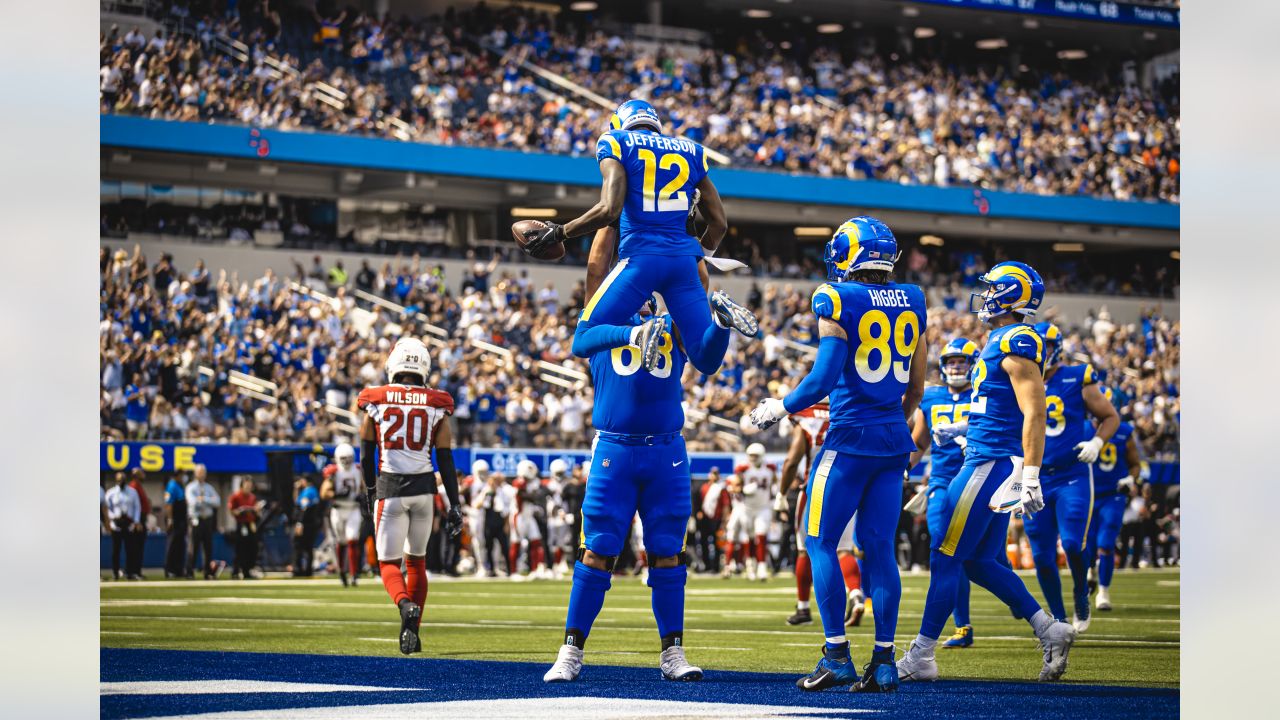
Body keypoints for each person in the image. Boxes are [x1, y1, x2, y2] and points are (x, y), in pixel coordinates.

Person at [749, 216, 927, 693]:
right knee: (880, 549)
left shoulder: (836, 296)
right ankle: (885, 662)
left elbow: (823, 379)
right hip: (893, 438)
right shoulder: (914, 299)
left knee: (818, 542)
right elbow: (916, 387)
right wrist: (892, 419)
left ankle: (837, 655)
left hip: (849, 439)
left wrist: (779, 405)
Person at [896, 261, 1077, 684]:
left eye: (994, 288)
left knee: (945, 557)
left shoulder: (1015, 339)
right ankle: (1049, 628)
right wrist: (963, 427)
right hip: (987, 456)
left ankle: (922, 655)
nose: (987, 294)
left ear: (1011, 294)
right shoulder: (999, 339)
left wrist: (1031, 474)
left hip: (988, 463)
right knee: (977, 561)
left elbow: (1034, 412)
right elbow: (999, 406)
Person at [521, 99, 757, 378]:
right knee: (706, 361)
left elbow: (610, 210)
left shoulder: (616, 141)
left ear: (620, 123)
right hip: (683, 263)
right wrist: (698, 255)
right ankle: (721, 321)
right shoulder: (691, 150)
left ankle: (637, 333)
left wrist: (560, 231)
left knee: (583, 338)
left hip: (641, 259)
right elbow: (719, 224)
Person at [543, 295, 702, 683]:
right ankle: (571, 650)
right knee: (597, 549)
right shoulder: (603, 324)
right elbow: (594, 282)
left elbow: (694, 289)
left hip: (666, 450)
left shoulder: (672, 322)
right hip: (616, 447)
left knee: (668, 552)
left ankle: (673, 652)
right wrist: (606, 230)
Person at [357, 337, 464, 655]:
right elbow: (445, 458)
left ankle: (405, 605)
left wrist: (371, 489)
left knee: (388, 563)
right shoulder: (436, 402)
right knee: (416, 563)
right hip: (424, 491)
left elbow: (366, 452)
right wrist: (454, 503)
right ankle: (412, 635)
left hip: (390, 488)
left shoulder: (374, 398)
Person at [1025, 322, 1120, 633]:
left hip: (1071, 475)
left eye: (1047, 346)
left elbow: (1110, 416)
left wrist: (1097, 442)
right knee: (1040, 555)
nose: (1042, 353)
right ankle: (1059, 619)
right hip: (1035, 476)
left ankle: (1081, 591)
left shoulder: (1077, 376)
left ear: (1058, 348)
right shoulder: (1020, 379)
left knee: (1071, 543)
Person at [908, 338, 980, 648]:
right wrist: (900, 467)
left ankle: (1024, 607)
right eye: (951, 361)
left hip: (977, 478)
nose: (955, 367)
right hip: (940, 480)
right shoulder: (932, 396)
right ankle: (962, 626)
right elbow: (919, 441)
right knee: (943, 547)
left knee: (987, 559)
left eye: (961, 361)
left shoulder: (982, 394)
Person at [779, 401, 864, 628]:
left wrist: (781, 493)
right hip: (847, 488)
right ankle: (855, 593)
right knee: (844, 550)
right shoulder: (852, 409)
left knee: (805, 550)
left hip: (815, 488)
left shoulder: (806, 417)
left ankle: (803, 607)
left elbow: (791, 461)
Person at [1087, 389, 1146, 612]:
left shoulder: (1123, 432)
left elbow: (1135, 464)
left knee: (1106, 543)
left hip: (1113, 495)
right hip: (1088, 495)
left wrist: (1131, 478)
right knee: (1088, 546)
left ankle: (1103, 591)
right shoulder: (1081, 429)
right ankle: (1090, 571)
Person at [321, 442, 364, 587]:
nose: (346, 461)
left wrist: (363, 495)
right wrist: (337, 494)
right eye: (344, 458)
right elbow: (324, 492)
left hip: (353, 509)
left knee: (352, 540)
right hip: (338, 509)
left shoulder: (358, 469)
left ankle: (353, 574)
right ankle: (342, 572)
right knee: (341, 541)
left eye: (349, 458)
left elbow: (364, 487)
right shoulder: (333, 471)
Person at [734, 443, 778, 581]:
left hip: (763, 507)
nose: (752, 458)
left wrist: (775, 496)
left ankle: (762, 567)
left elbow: (774, 483)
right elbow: (735, 486)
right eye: (751, 455)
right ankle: (750, 565)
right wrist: (743, 490)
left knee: (762, 535)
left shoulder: (770, 468)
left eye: (755, 455)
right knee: (750, 538)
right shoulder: (743, 468)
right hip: (747, 508)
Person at [185, 465, 221, 580]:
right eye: (200, 472)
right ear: (195, 473)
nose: (202, 474)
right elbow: (193, 502)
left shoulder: (209, 487)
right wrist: (206, 501)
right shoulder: (191, 487)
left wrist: (204, 499)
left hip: (207, 520)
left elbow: (217, 502)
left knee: (208, 547)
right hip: (196, 519)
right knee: (193, 546)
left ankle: (208, 572)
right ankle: (190, 571)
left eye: (203, 472)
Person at [105, 472, 142, 581]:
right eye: (119, 479)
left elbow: (137, 507)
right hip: (116, 523)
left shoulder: (132, 492)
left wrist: (136, 521)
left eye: (123, 479)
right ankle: (115, 572)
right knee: (116, 550)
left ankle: (129, 572)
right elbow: (107, 508)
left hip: (128, 523)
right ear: (116, 480)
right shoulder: (111, 493)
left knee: (130, 549)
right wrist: (112, 519)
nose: (121, 481)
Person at [228, 477, 263, 579]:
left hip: (251, 524)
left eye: (250, 485)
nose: (248, 487)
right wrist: (240, 511)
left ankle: (247, 571)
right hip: (241, 524)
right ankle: (235, 571)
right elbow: (232, 510)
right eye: (246, 485)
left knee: (251, 548)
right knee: (240, 548)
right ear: (242, 485)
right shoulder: (236, 496)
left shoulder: (252, 497)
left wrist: (256, 510)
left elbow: (257, 512)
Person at [292, 477, 322, 577]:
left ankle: (299, 569)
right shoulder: (311, 491)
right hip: (311, 523)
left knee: (299, 545)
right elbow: (297, 501)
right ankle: (307, 570)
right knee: (308, 547)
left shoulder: (308, 491)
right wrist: (296, 489)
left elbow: (304, 508)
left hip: (306, 523)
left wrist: (300, 523)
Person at [126, 469, 151, 580]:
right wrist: (137, 522)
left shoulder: (138, 486)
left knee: (138, 547)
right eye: (142, 473)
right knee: (134, 547)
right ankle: (132, 572)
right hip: (137, 520)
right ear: (136, 475)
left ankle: (136, 571)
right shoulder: (133, 486)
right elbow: (134, 506)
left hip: (141, 519)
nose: (144, 475)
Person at [162, 472, 188, 579]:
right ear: (177, 476)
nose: (184, 478)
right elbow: (169, 504)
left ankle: (178, 570)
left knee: (180, 545)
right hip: (175, 520)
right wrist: (170, 519)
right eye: (182, 476)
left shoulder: (180, 486)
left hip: (181, 520)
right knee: (172, 545)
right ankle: (169, 570)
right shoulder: (172, 485)